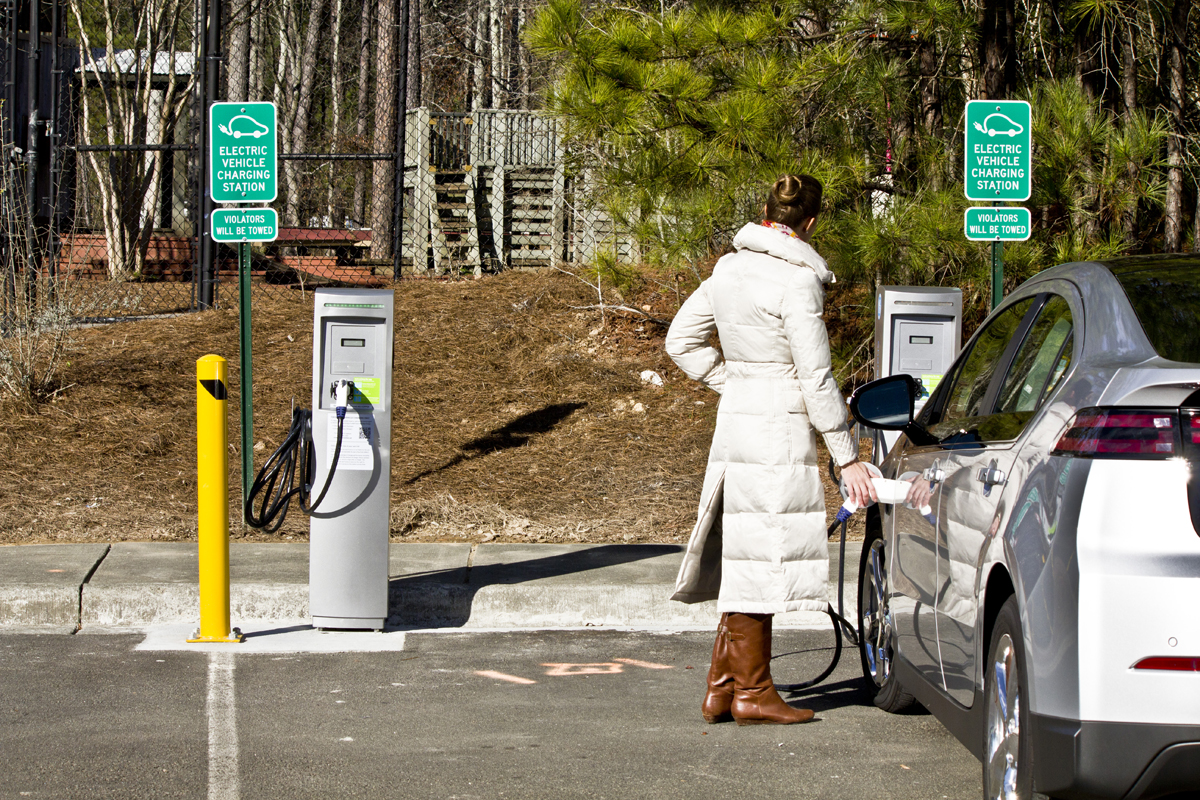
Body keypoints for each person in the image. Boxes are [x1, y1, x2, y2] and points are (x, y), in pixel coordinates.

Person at [665, 174, 876, 725]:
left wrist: (732, 380)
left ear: (765, 212)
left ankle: (723, 686)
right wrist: (847, 455)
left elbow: (679, 341)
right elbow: (816, 377)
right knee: (764, 552)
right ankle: (753, 693)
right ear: (810, 223)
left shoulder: (728, 268)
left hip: (737, 419)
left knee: (747, 549)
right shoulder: (798, 281)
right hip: (777, 424)